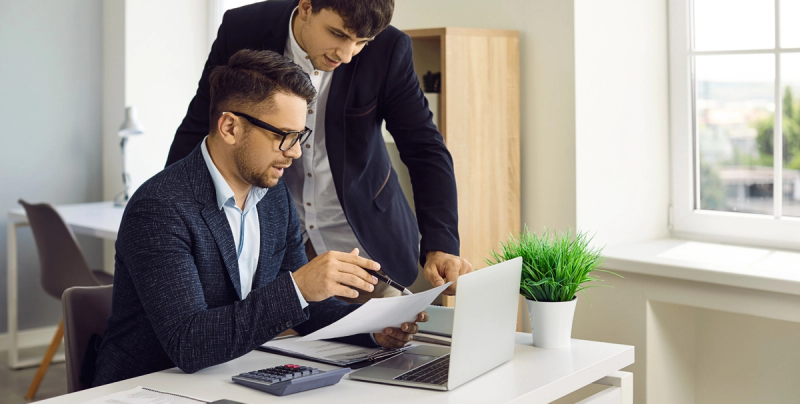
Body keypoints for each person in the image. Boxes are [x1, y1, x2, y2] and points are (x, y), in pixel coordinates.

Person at [92, 49, 426, 386]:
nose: (295, 152)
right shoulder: (160, 207)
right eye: (283, 136)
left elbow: (307, 310)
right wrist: (298, 287)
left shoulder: (272, 197)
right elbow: (189, 343)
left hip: (227, 377)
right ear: (230, 127)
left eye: (299, 136)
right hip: (148, 386)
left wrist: (373, 329)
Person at [165, 0, 473, 302]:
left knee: (390, 340)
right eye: (338, 34)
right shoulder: (243, 28)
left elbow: (425, 148)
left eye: (361, 42)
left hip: (364, 250)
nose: (347, 55)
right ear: (306, 7)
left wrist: (441, 244)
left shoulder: (390, 49)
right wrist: (170, 215)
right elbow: (201, 125)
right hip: (272, 248)